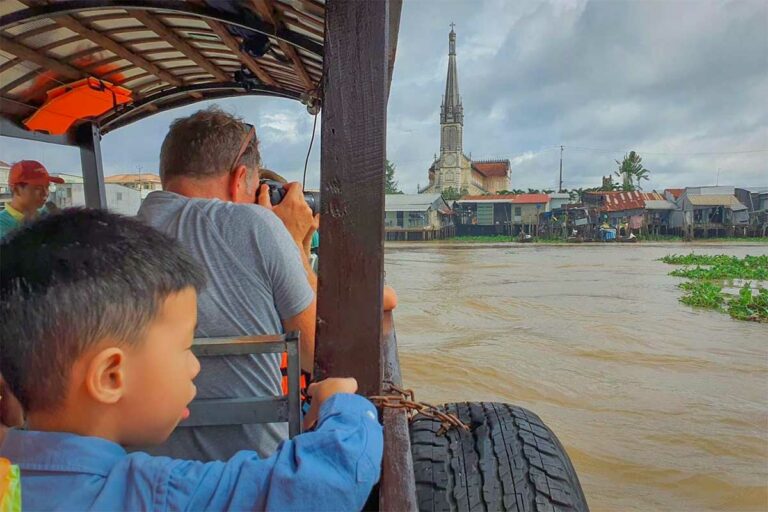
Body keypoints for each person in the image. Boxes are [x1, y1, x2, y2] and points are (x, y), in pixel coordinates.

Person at [0, 209, 382, 511]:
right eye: (186, 347)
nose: (195, 365)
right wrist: (344, 404)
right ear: (111, 376)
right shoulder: (158, 494)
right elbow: (325, 483)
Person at [136, 107, 318, 460]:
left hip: (151, 471)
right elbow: (318, 351)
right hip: (254, 471)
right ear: (239, 181)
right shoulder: (255, 223)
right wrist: (292, 241)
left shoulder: (122, 235)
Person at [0, 160, 63, 239]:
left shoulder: (47, 214)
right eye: (38, 188)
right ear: (16, 190)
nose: (46, 193)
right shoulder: (2, 224)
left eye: (47, 187)